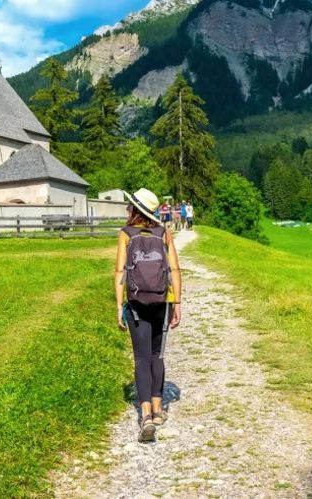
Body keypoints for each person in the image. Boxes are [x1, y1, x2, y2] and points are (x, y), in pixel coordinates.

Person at [117, 188, 182, 443]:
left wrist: (118, 305)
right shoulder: (164, 232)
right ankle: (158, 409)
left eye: (129, 206)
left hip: (135, 302)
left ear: (135, 210)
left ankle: (144, 414)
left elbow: (119, 271)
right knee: (157, 354)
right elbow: (174, 268)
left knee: (141, 357)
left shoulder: (126, 234)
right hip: (161, 302)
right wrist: (177, 301)